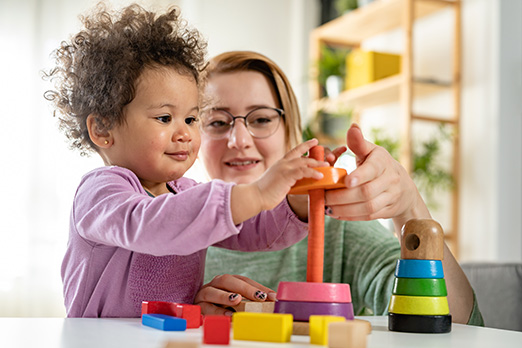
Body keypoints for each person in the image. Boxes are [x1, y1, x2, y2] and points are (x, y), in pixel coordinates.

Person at [43, 4, 328, 318]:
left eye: (192, 119)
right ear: (103, 128)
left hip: (169, 337)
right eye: (165, 118)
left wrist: (296, 203)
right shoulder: (100, 192)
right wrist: (257, 193)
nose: (185, 134)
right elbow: (151, 224)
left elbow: (251, 228)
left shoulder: (186, 192)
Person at [196, 51, 483, 325]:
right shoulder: (168, 228)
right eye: (218, 122)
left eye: (261, 119)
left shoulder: (336, 227)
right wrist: (184, 315)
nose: (239, 139)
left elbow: (455, 325)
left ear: (290, 131)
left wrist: (410, 209)